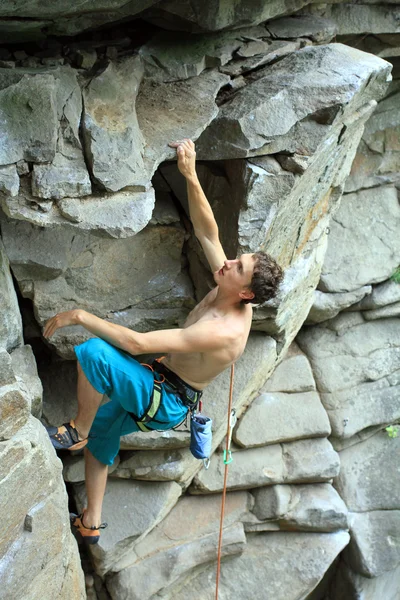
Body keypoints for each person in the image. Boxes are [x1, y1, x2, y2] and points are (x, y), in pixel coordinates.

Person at [44, 138, 283, 544]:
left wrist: (80, 316)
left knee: (94, 353)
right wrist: (189, 174)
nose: (227, 262)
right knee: (107, 432)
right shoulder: (229, 286)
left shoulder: (223, 329)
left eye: (237, 267)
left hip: (167, 399)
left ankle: (77, 428)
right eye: (236, 259)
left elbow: (137, 344)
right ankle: (90, 524)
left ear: (246, 293)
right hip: (162, 383)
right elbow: (209, 234)